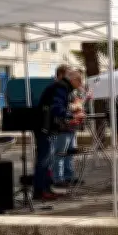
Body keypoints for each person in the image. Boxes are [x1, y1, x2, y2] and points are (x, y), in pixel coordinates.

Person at [36, 67, 84, 200]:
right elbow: (57, 108)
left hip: (47, 127)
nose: (79, 85)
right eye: (79, 81)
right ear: (73, 80)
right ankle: (41, 191)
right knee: (45, 160)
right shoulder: (61, 88)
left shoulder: (62, 87)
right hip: (45, 127)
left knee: (47, 159)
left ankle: (46, 189)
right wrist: (71, 115)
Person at [51, 65, 79, 188]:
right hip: (61, 127)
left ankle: (69, 176)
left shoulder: (69, 89)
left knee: (70, 153)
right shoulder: (57, 88)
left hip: (71, 126)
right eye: (68, 75)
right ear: (61, 75)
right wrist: (74, 107)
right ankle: (58, 178)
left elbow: (74, 102)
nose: (70, 78)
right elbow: (60, 106)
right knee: (60, 153)